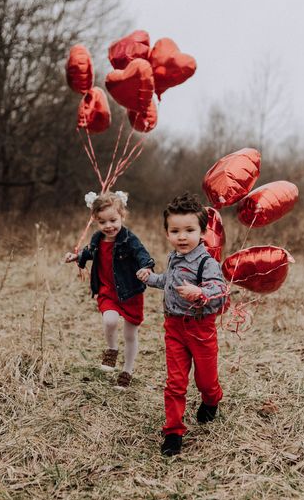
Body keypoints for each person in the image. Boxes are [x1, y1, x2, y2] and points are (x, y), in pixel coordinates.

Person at [137, 192, 227, 456]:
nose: (182, 236)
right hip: (174, 328)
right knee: (175, 382)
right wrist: (150, 278)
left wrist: (201, 293)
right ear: (167, 233)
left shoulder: (206, 262)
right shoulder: (173, 257)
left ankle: (212, 400)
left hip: (200, 329)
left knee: (205, 381)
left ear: (202, 232)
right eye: (175, 231)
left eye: (189, 230)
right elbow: (169, 281)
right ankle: (173, 432)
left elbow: (220, 289)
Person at [65, 190, 154, 389]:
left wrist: (146, 267)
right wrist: (76, 257)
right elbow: (89, 252)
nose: (109, 226)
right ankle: (112, 349)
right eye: (102, 222)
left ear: (122, 215)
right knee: (110, 320)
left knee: (130, 335)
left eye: (113, 220)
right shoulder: (98, 238)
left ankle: (127, 370)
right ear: (95, 220)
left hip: (130, 293)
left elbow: (142, 254)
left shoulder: (129, 239)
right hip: (107, 290)